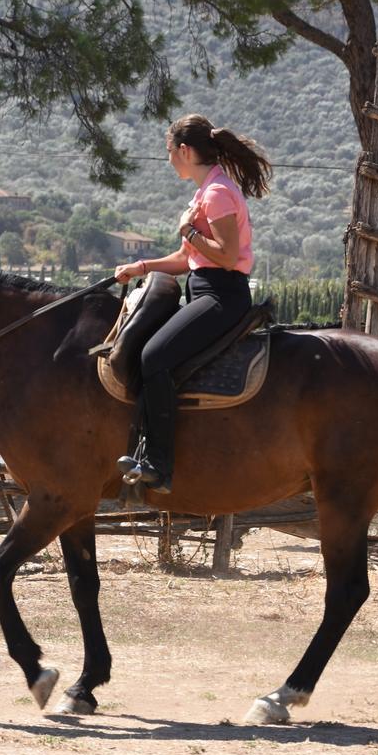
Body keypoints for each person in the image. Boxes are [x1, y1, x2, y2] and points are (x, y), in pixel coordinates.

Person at [113, 114, 272, 494]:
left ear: (184, 151)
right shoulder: (206, 191)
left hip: (222, 294)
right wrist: (142, 266)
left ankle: (160, 464)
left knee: (154, 356)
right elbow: (189, 259)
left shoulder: (216, 194)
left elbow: (228, 255)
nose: (168, 160)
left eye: (169, 152)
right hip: (204, 288)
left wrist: (189, 230)